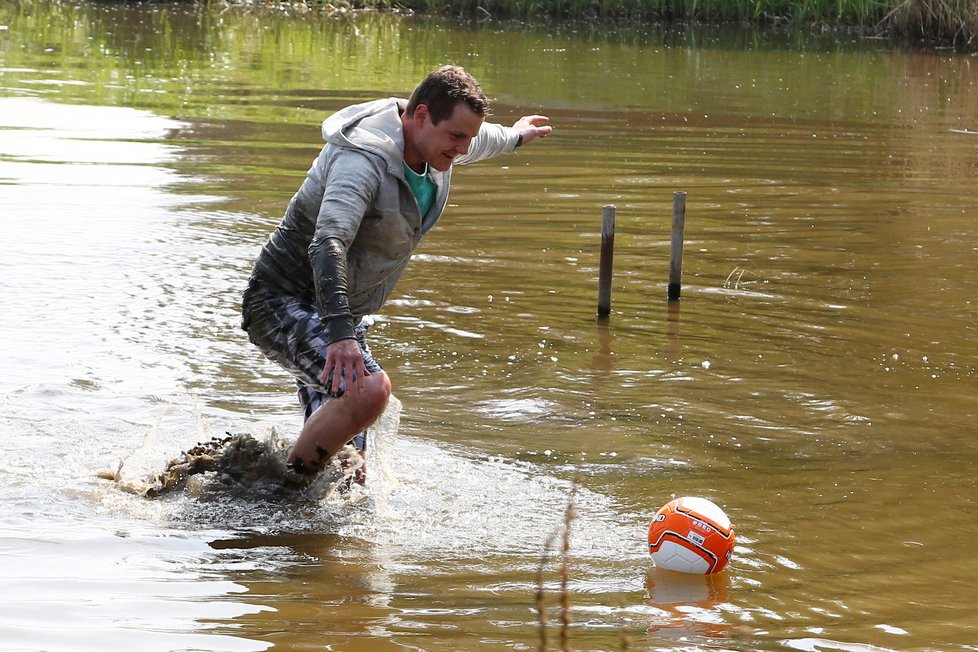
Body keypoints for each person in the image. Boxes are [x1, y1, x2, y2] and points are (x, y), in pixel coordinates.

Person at [241, 65, 552, 481]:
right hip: (283, 300)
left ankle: (280, 500)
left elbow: (480, 138)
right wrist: (341, 336)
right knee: (369, 392)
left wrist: (515, 135)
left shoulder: (435, 144)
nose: (463, 148)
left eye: (469, 138)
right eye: (456, 137)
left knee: (349, 475)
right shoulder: (363, 160)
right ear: (421, 115)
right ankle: (280, 490)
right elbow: (328, 242)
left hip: (340, 312)